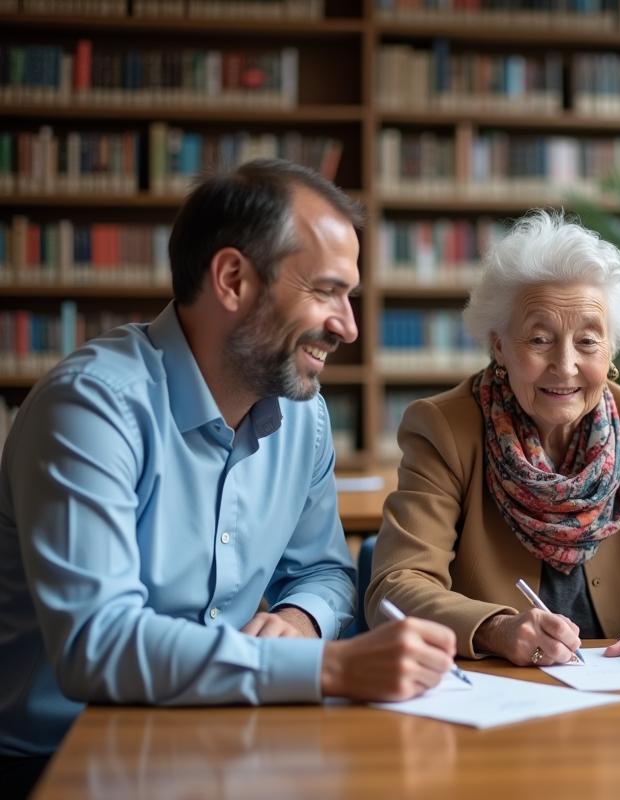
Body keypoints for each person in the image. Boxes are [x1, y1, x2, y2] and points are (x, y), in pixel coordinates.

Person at [0, 160, 457, 796]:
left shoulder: (305, 418)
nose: (348, 326)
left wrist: (300, 619)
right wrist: (325, 666)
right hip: (56, 760)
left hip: (214, 737)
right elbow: (97, 645)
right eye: (327, 291)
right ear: (233, 279)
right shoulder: (91, 407)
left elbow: (325, 573)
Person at [367, 210, 620, 669]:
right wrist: (495, 628)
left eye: (588, 342)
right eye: (539, 339)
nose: (565, 365)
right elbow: (395, 585)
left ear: (612, 348)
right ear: (498, 346)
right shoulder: (444, 428)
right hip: (498, 696)